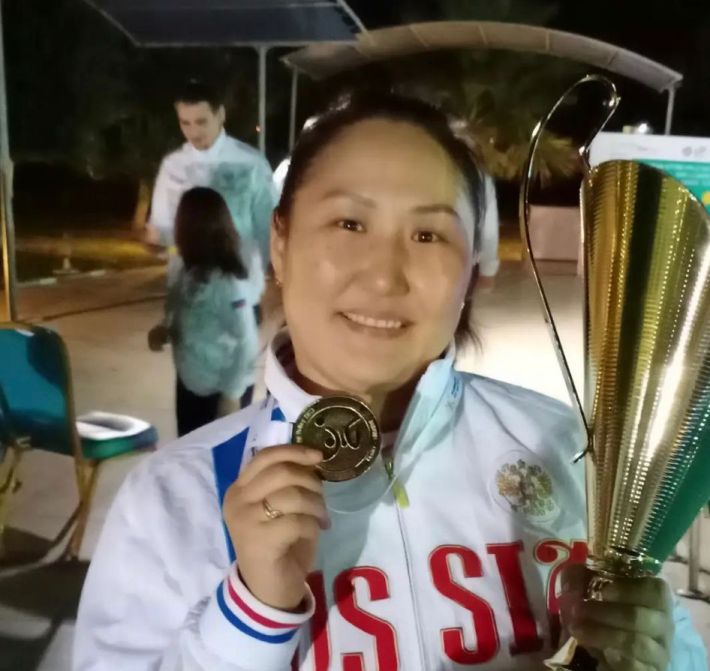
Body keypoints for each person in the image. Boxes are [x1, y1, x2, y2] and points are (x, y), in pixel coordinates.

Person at [74, 93, 706, 671]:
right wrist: (250, 613)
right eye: (349, 224)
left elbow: (675, 650)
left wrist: (659, 656)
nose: (384, 276)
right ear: (281, 243)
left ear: (472, 269)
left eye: (429, 234)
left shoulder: (569, 450)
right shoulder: (171, 499)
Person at [146, 79, 277, 314]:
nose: (194, 132)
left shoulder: (250, 164)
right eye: (185, 123)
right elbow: (162, 232)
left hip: (241, 298)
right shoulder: (172, 167)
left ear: (220, 115)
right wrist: (160, 245)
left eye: (201, 121)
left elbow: (268, 228)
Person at [148, 187, 259, 437]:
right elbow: (178, 309)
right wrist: (164, 328)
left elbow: (246, 344)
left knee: (216, 460)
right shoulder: (187, 271)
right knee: (188, 451)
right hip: (191, 382)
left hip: (221, 389)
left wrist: (231, 396)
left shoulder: (227, 284)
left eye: (180, 219)